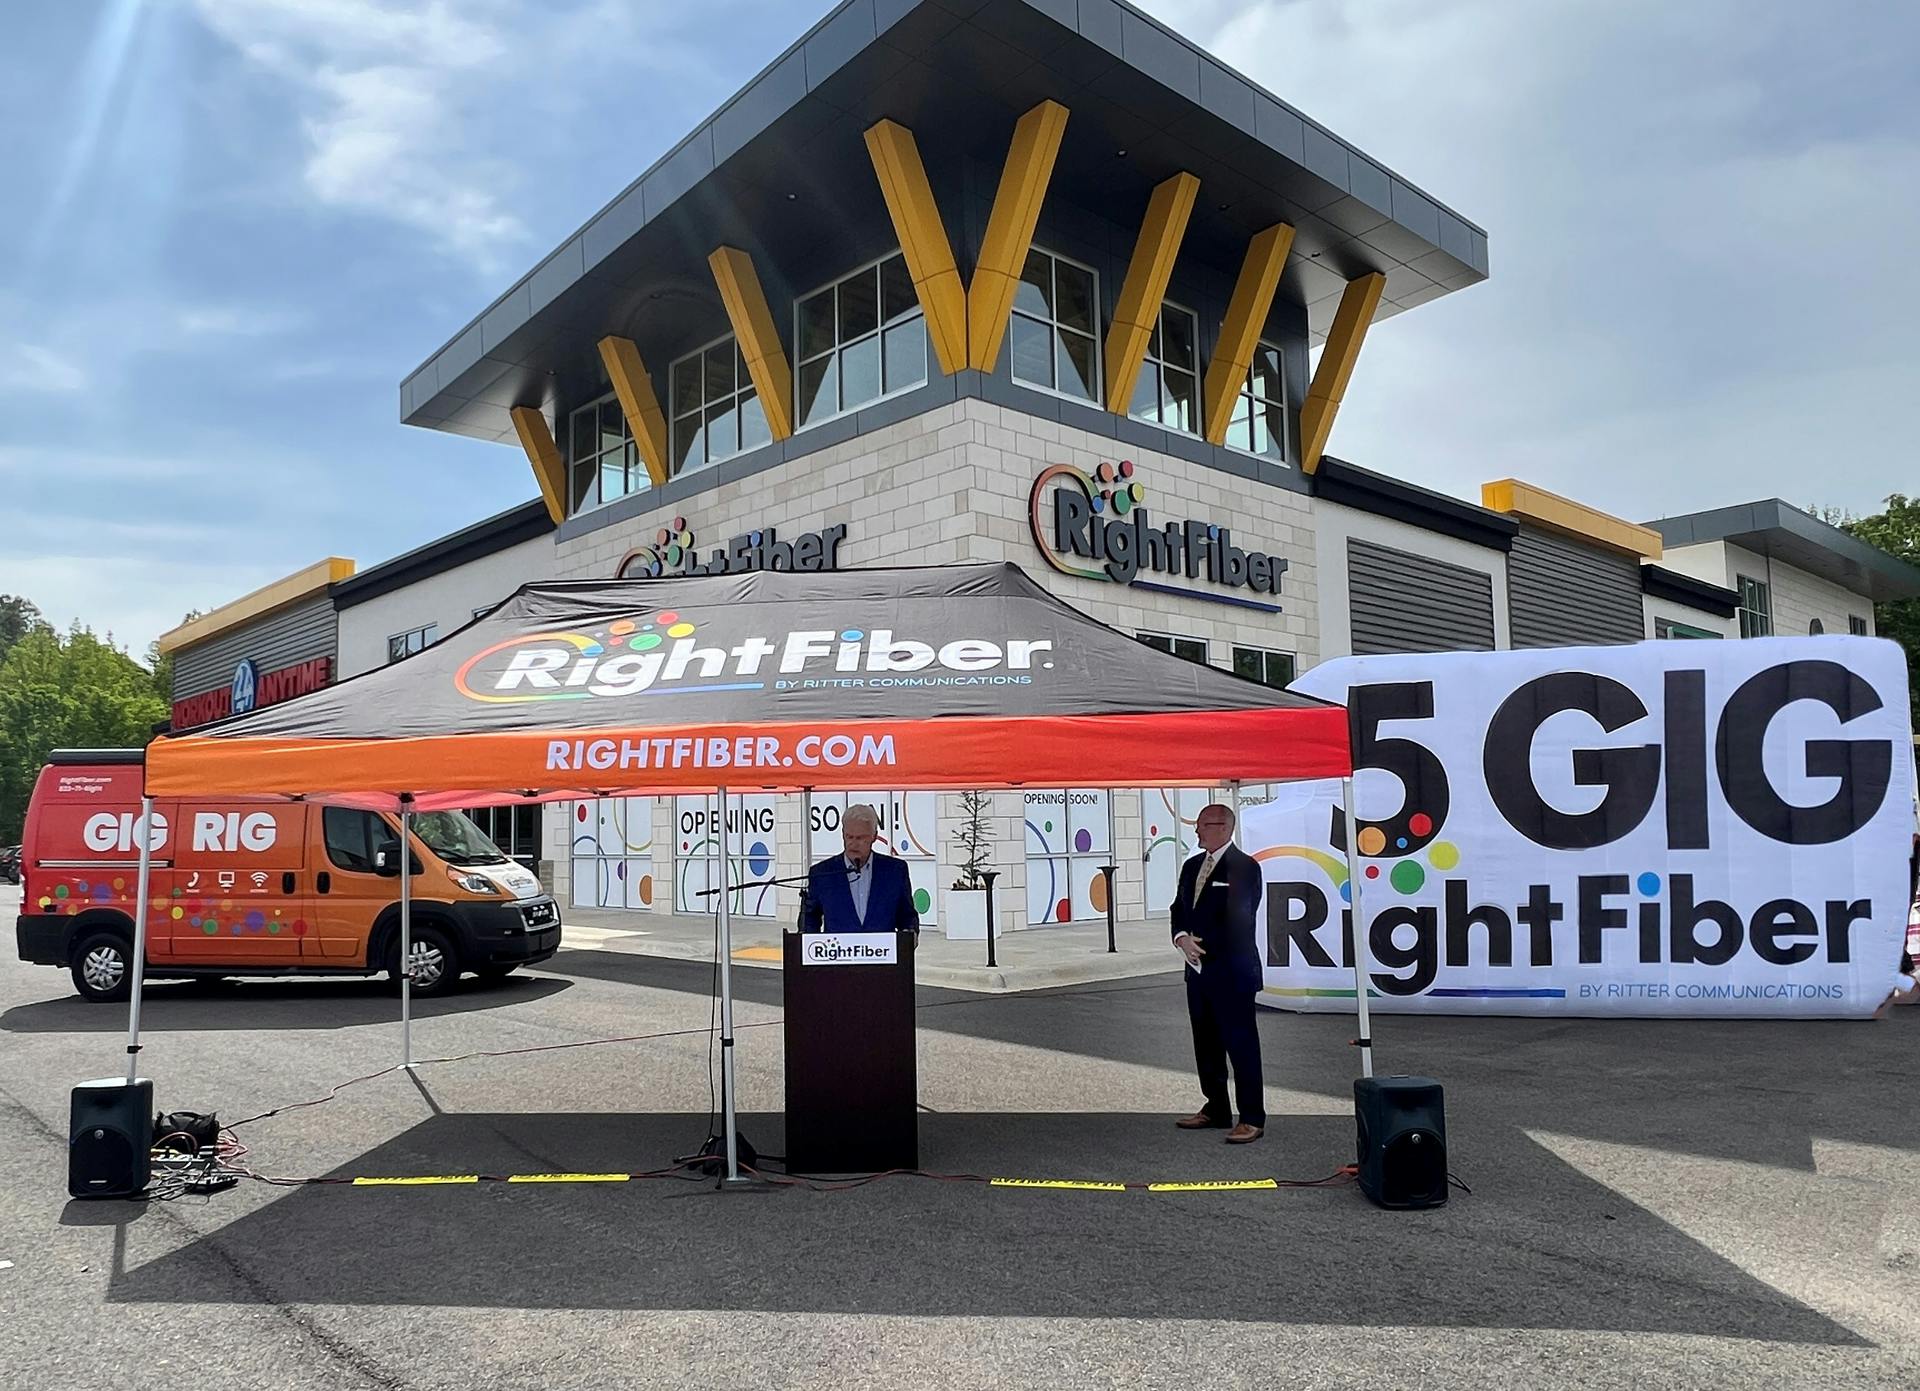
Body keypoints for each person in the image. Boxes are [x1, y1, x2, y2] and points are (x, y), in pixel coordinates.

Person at [1171, 802, 1267, 1143]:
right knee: (1206, 1043)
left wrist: (1202, 943)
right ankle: (1216, 1107)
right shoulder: (1191, 866)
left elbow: (1240, 917)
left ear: (1224, 827)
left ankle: (1252, 1116)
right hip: (1197, 973)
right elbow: (1178, 908)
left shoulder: (1244, 867)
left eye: (1203, 825)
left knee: (1241, 1044)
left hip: (1232, 972)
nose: (1197, 831)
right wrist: (1182, 938)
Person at [801, 803, 920, 937]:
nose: (853, 843)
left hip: (882, 954)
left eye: (860, 838)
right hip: (837, 954)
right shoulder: (822, 873)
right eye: (849, 837)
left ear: (874, 837)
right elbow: (809, 921)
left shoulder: (895, 871)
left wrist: (909, 936)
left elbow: (908, 917)